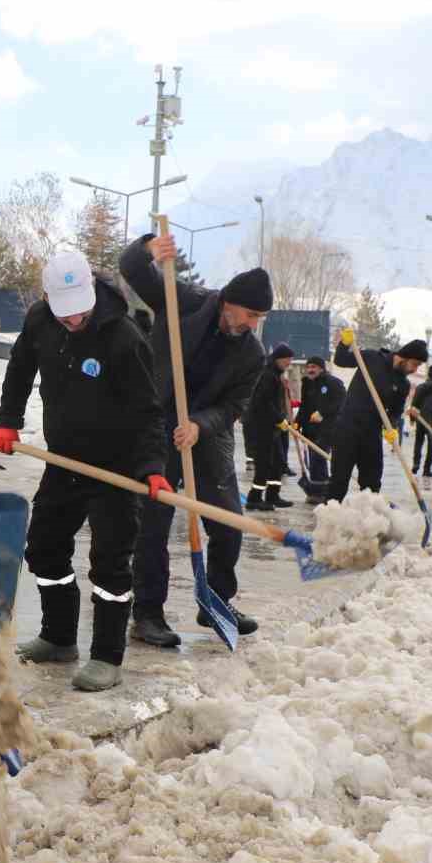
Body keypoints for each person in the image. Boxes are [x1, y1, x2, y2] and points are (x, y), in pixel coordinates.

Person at [0, 250, 164, 692]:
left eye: (80, 311)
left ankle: (107, 657)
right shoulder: (39, 321)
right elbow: (20, 369)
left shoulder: (123, 337)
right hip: (63, 460)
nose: (73, 320)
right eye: (64, 312)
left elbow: (148, 412)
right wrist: (8, 419)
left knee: (109, 563)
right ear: (48, 298)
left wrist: (152, 468)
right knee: (45, 548)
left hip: (115, 469)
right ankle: (59, 636)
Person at [118, 232, 269, 647]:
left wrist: (201, 424)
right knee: (153, 524)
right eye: (250, 313)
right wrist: (149, 249)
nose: (252, 323)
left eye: (259, 318)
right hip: (156, 423)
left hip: (206, 432)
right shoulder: (184, 299)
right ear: (229, 302)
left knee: (228, 522)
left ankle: (215, 601)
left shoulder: (252, 354)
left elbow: (235, 405)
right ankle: (148, 615)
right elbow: (131, 268)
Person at [327, 330, 428, 502]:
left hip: (371, 433)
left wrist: (392, 427)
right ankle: (328, 521)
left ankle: (368, 523)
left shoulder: (403, 384)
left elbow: (395, 411)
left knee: (372, 483)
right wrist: (344, 344)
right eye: (415, 363)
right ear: (405, 356)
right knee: (339, 480)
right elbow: (341, 360)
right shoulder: (372, 358)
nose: (414, 369)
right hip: (347, 428)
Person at [243, 343, 295, 511]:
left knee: (278, 461)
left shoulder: (276, 375)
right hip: (261, 426)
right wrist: (279, 418)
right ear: (278, 359)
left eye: (290, 360)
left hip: (272, 427)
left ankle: (273, 495)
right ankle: (254, 498)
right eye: (287, 359)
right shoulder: (267, 375)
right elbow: (263, 402)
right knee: (264, 463)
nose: (289, 363)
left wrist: (281, 420)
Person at [293, 355, 345, 499]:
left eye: (313, 367)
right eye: (308, 367)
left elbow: (341, 402)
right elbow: (304, 407)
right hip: (310, 429)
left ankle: (322, 491)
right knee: (310, 460)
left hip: (328, 429)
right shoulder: (307, 384)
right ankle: (315, 490)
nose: (310, 370)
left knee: (319, 458)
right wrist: (297, 424)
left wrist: (323, 413)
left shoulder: (332, 383)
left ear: (321, 368)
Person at [411, 365, 432, 474]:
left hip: (420, 419)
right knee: (431, 445)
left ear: (428, 374)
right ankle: (427, 469)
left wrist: (412, 418)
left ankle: (416, 463)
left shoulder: (421, 387)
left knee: (418, 442)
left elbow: (414, 404)